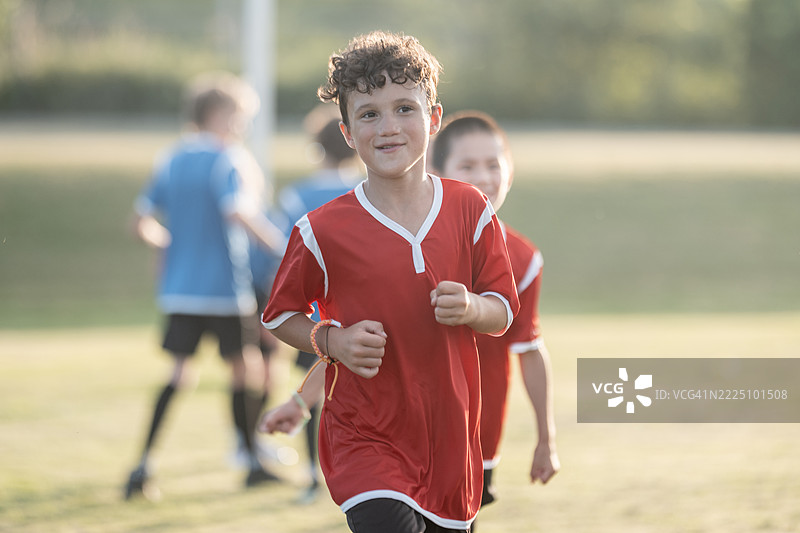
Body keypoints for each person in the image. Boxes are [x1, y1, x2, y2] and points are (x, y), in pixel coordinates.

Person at [258, 31, 519, 533]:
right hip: (365, 438)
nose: (388, 126)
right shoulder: (321, 230)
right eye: (369, 113)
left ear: (434, 119)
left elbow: (503, 310)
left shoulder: (469, 209)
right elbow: (278, 316)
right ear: (349, 132)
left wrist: (471, 307)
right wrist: (331, 339)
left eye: (404, 108)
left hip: (450, 440)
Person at [125, 71, 287, 501]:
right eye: (240, 116)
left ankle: (141, 467)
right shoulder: (228, 158)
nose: (243, 125)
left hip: (179, 290)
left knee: (180, 373)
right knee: (246, 368)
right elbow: (238, 212)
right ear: (220, 114)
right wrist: (284, 247)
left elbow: (141, 222)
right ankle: (252, 461)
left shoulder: (170, 158)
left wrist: (172, 246)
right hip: (222, 289)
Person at [429, 111, 560, 531]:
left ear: (510, 172)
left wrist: (546, 438)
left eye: (493, 164)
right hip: (405, 426)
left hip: (476, 434)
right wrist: (304, 399)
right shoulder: (408, 244)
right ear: (435, 171)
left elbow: (529, 350)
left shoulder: (522, 259)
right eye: (467, 166)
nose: (483, 178)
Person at [274, 104, 362, 504]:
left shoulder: (297, 194)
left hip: (313, 321)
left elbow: (282, 255)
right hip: (362, 316)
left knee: (313, 390)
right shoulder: (366, 192)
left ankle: (313, 473)